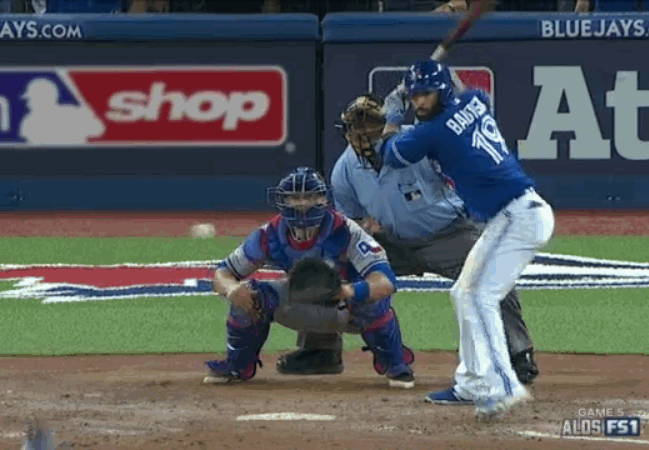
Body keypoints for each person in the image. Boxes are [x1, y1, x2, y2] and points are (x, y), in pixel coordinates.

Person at [275, 95, 541, 391]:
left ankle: (517, 354)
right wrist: (364, 227)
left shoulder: (418, 145)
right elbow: (347, 225)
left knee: (489, 272)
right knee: (329, 264)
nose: (361, 135)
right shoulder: (345, 169)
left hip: (448, 234)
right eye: (354, 128)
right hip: (389, 245)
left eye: (369, 127)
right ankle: (320, 349)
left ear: (386, 124)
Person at [377, 60, 554, 421]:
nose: (419, 102)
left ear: (441, 91)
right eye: (415, 96)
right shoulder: (474, 100)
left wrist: (393, 114)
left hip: (518, 215)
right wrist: (434, 79)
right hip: (513, 216)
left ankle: (503, 386)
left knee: (479, 296)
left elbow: (389, 154)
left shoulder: (433, 131)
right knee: (463, 292)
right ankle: (472, 383)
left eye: (426, 94)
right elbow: (466, 90)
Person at [203, 167, 416, 389]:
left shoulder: (346, 231)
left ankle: (395, 364)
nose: (302, 204)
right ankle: (237, 365)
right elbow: (223, 273)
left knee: (373, 302)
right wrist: (232, 290)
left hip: (346, 309)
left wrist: (346, 291)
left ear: (323, 199)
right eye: (295, 198)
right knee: (249, 294)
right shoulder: (270, 234)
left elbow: (386, 282)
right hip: (299, 302)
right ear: (283, 201)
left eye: (310, 197)